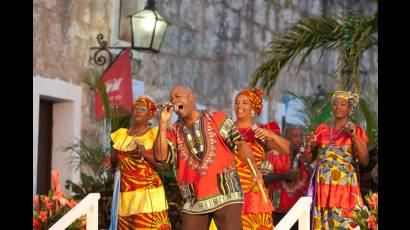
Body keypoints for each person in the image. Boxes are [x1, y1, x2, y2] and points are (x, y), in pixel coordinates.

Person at [154, 85, 257, 230]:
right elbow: (161, 157)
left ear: (191, 98)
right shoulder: (173, 131)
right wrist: (163, 123)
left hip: (226, 192)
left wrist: (253, 167)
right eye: (171, 98)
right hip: (194, 197)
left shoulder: (217, 118)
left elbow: (240, 143)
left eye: (178, 96)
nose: (173, 100)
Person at [102, 97, 171, 230]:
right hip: (125, 195)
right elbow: (115, 161)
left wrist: (146, 155)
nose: (138, 111)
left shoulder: (154, 134)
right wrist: (109, 162)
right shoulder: (122, 134)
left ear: (150, 115)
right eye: (136, 108)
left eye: (143, 109)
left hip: (147, 193)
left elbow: (164, 165)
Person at [305, 90, 369, 229]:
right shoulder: (322, 130)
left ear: (349, 108)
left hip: (345, 185)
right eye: (335, 103)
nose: (338, 107)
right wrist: (310, 144)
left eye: (343, 104)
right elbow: (310, 159)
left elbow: (365, 161)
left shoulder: (355, 130)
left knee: (345, 222)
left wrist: (353, 136)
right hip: (324, 185)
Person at [233, 88, 291, 229]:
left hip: (254, 195)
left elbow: (288, 150)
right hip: (230, 193)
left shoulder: (260, 132)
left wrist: (271, 135)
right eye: (237, 102)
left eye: (245, 103)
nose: (239, 106)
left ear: (254, 108)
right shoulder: (226, 130)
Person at [263, 125, 310, 229]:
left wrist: (308, 163)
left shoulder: (305, 158)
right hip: (277, 213)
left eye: (300, 137)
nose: (298, 140)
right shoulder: (273, 155)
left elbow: (313, 182)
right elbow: (262, 178)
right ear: (285, 139)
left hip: (300, 213)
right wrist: (283, 175)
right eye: (295, 136)